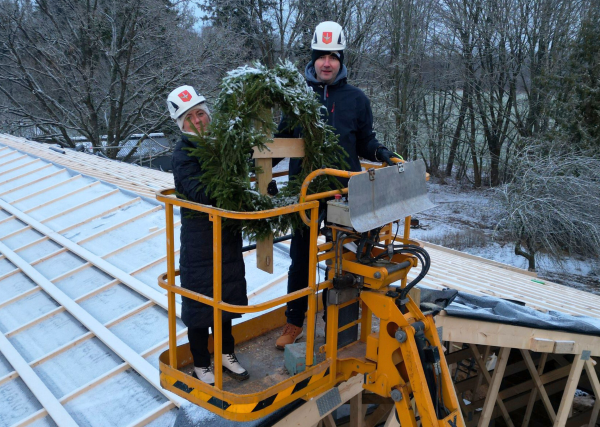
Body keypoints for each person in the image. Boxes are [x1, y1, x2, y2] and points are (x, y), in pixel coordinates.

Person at [275, 22, 399, 349]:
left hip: (344, 192)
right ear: (313, 59)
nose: (326, 63)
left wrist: (381, 153)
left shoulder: (356, 99)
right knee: (300, 260)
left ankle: (337, 322)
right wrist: (257, 163)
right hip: (306, 190)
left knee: (344, 259)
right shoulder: (298, 99)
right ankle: (293, 322)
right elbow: (282, 141)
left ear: (341, 60)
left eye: (333, 57)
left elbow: (365, 141)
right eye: (321, 56)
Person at [168, 85, 249, 384]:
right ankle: (201, 363)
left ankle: (226, 354)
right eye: (189, 118)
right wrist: (235, 187)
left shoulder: (221, 145)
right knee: (200, 303)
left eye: (200, 113)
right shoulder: (183, 154)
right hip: (200, 239)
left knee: (225, 298)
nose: (198, 121)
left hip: (226, 234)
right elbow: (202, 193)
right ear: (182, 124)